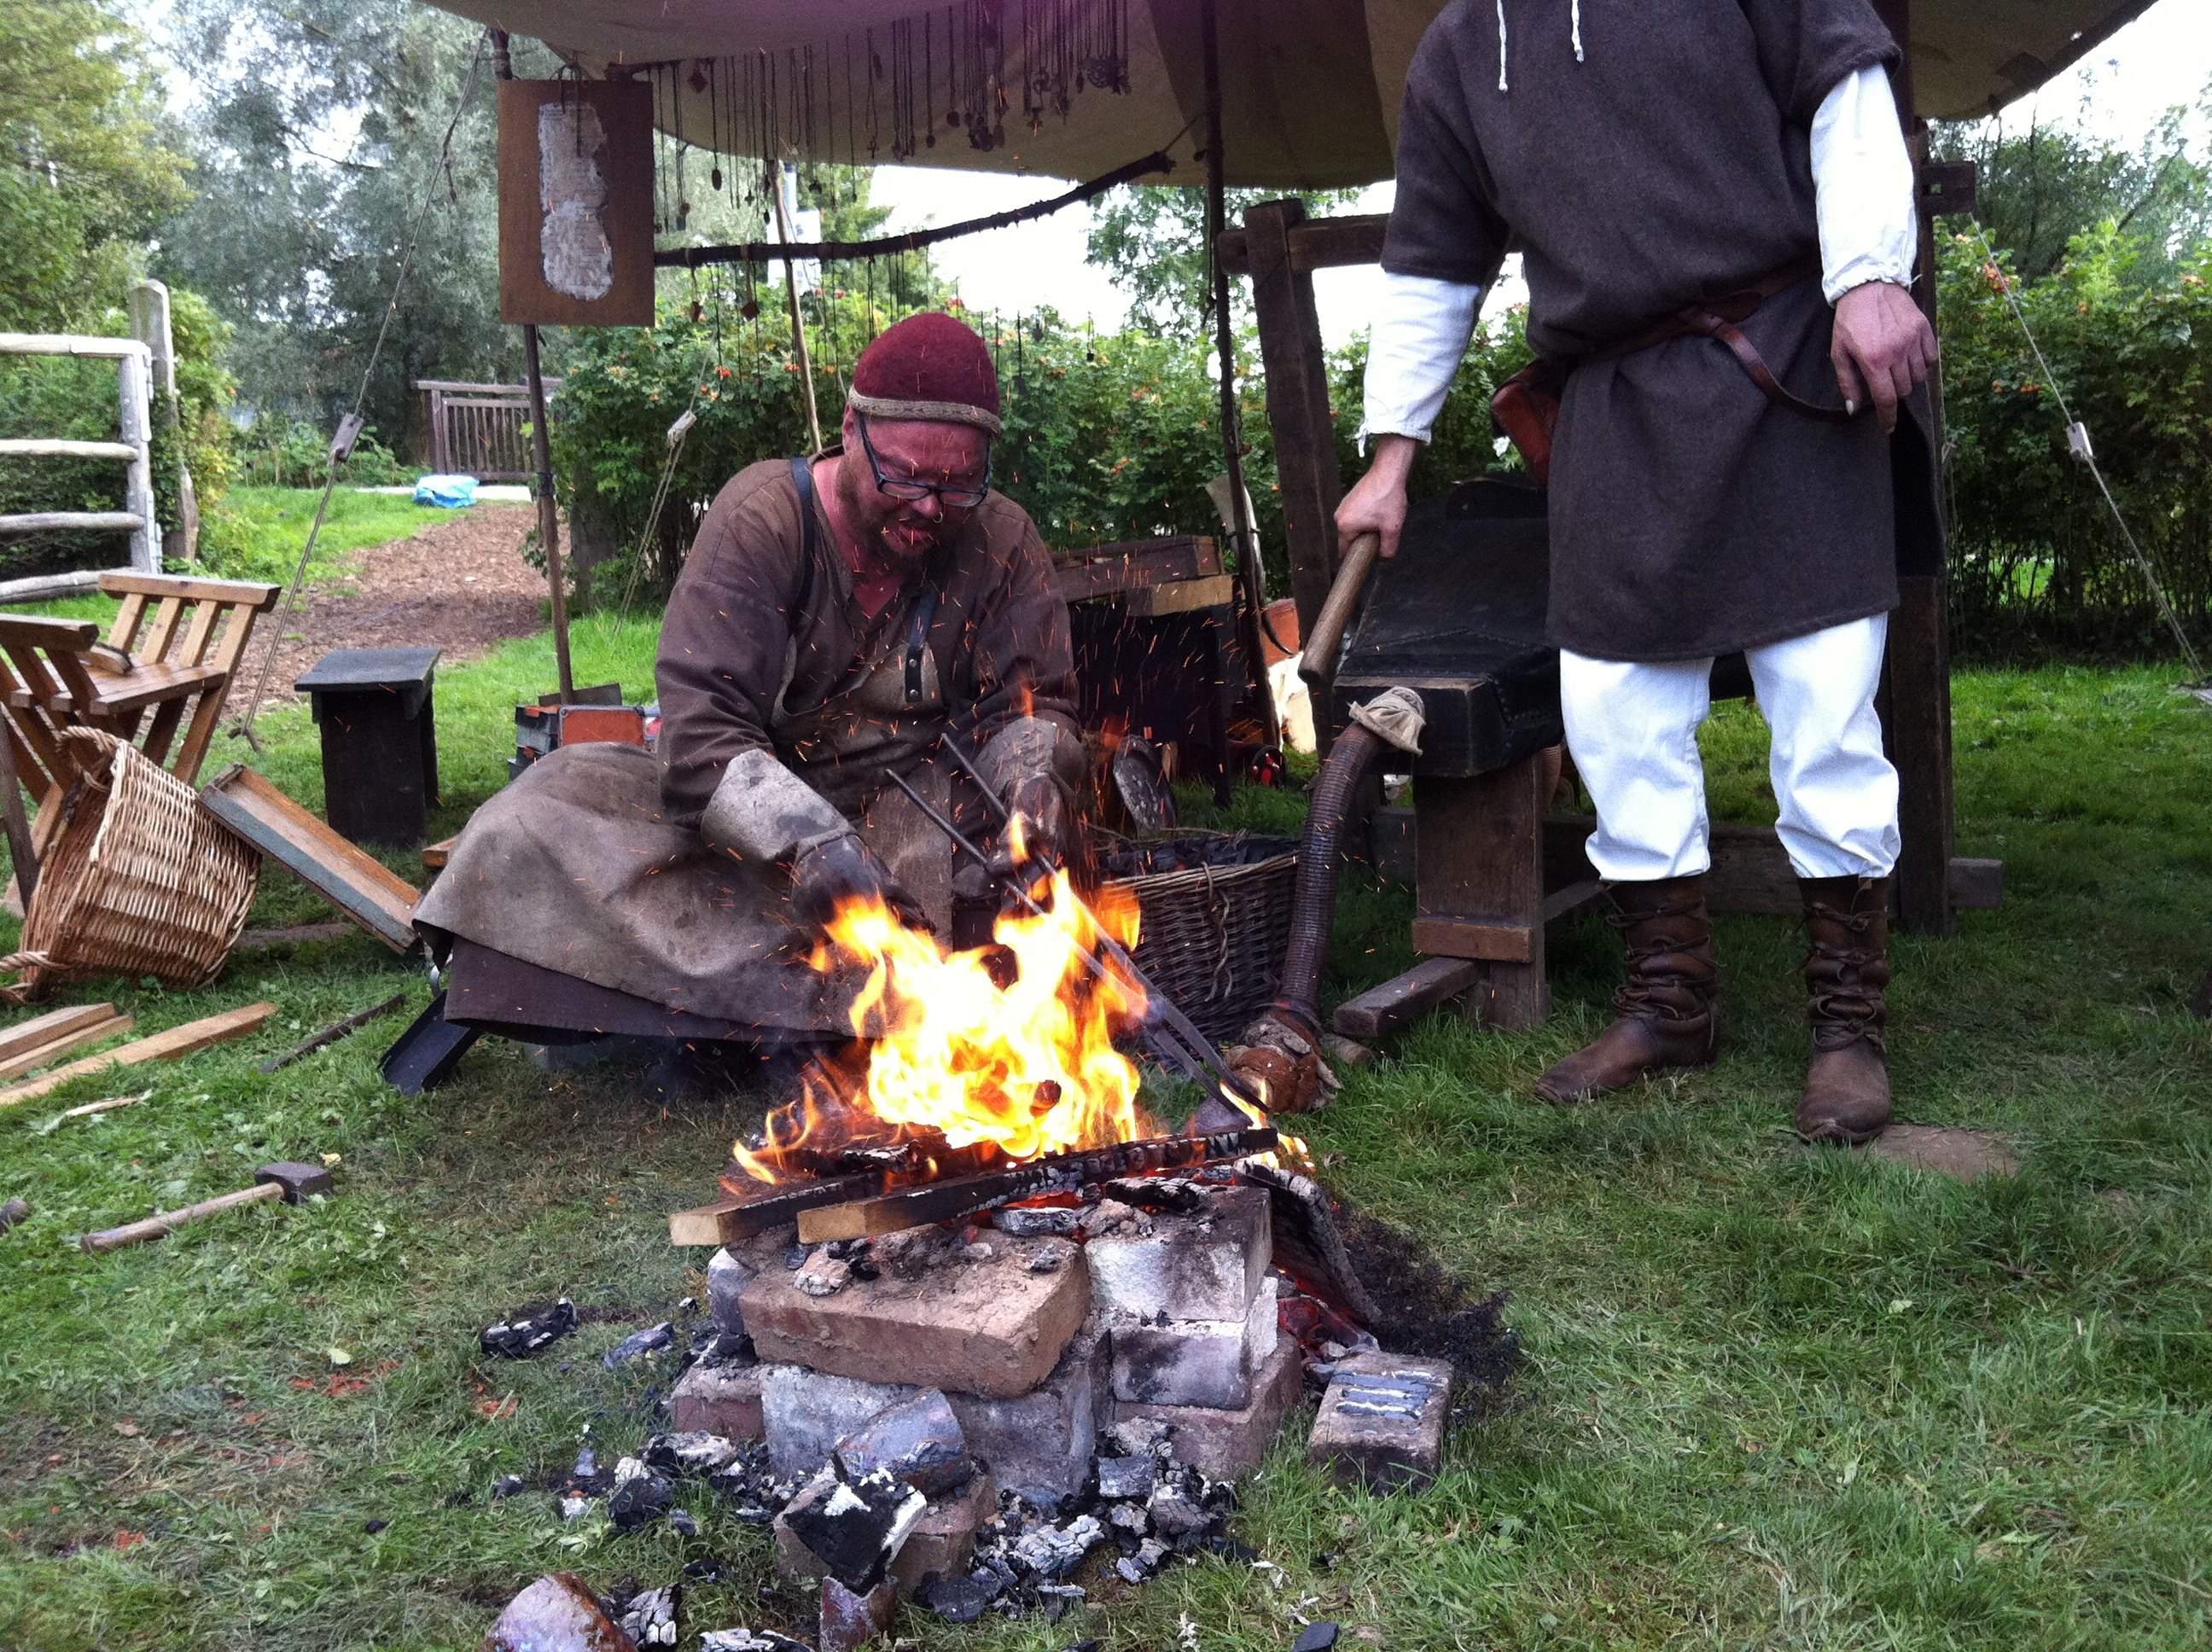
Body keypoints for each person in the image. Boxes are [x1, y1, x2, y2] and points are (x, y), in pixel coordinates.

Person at [1335, 0, 1941, 1143]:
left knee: (1823, 710)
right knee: (1614, 711)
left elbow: (1849, 98)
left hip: (1789, 368)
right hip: (1614, 405)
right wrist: (1391, 458)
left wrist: (1867, 275)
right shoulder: (1463, 48)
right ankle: (1672, 1003)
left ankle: (1848, 1025)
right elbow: (1431, 265)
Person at [415, 311, 1085, 1064]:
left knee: (968, 895)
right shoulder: (762, 519)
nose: (928, 506)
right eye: (903, 474)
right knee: (533, 818)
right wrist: (811, 845)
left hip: (910, 809)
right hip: (748, 818)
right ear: (850, 429)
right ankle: (815, 1004)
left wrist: (1029, 793)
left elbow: (1033, 710)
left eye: (958, 483)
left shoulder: (1001, 539)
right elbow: (701, 737)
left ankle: (735, 1007)